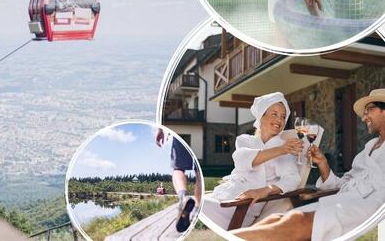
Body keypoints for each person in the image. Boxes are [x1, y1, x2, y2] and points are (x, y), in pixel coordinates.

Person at [231, 89, 385, 241]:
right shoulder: (368, 149)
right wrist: (323, 164)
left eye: (369, 110)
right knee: (277, 218)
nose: (364, 117)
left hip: (371, 206)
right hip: (346, 199)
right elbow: (343, 184)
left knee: (298, 220)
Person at [202, 92, 303, 230]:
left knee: (191, 206)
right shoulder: (245, 140)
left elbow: (292, 179)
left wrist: (264, 190)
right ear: (261, 116)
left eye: (283, 116)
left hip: (243, 207)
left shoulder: (285, 148)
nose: (280, 120)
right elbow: (243, 160)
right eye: (274, 114)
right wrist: (281, 149)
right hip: (224, 195)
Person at [155, 127, 201, 232]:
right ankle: (197, 210)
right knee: (199, 173)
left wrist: (160, 129)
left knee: (178, 169)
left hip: (179, 126)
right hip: (203, 127)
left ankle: (183, 197)